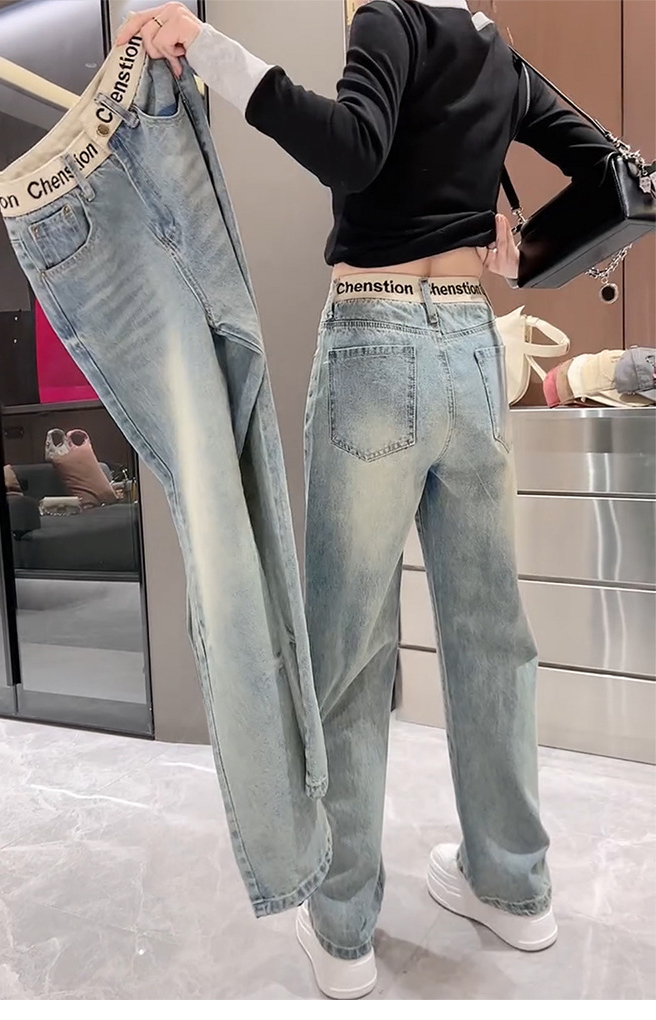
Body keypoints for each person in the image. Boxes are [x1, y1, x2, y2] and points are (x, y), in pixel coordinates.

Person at [117, 0, 616, 999]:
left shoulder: (390, 19)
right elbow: (608, 165)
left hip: (377, 348)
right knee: (491, 635)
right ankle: (515, 887)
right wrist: (530, 254)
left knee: (348, 647)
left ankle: (344, 929)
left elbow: (349, 150)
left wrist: (208, 46)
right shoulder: (494, 48)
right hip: (472, 351)